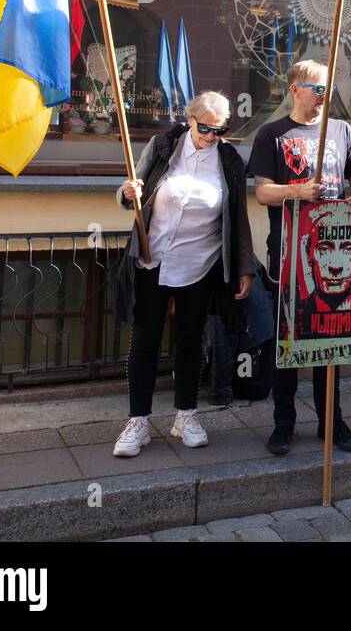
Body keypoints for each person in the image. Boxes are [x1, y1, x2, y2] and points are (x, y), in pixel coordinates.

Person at [112, 91, 255, 458]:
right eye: (204, 128)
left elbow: (238, 217)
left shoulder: (229, 160)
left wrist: (244, 267)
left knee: (191, 340)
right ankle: (138, 421)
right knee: (144, 340)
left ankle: (186, 415)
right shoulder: (163, 146)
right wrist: (127, 194)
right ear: (190, 120)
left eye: (219, 130)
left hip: (199, 263)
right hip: (152, 259)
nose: (210, 136)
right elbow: (131, 193)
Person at [248, 60, 351, 456]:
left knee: (330, 338)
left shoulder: (342, 131)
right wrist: (297, 191)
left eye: (328, 89)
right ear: (295, 89)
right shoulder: (272, 133)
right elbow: (262, 192)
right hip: (290, 252)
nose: (325, 95)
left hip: (335, 250)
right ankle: (283, 423)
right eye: (317, 88)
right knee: (287, 340)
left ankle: (331, 421)